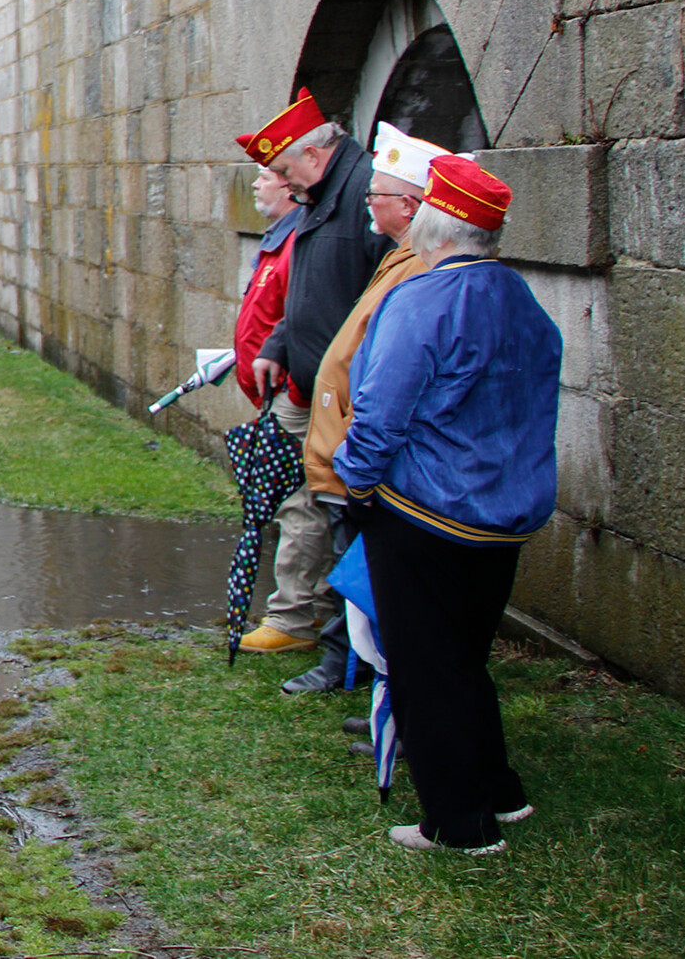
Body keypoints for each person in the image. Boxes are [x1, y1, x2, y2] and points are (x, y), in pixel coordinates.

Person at [334, 154, 559, 854]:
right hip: (504, 513)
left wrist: (355, 485)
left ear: (435, 222)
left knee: (425, 667)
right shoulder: (519, 297)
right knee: (463, 658)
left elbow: (379, 413)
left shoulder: (424, 299)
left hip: (427, 511)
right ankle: (499, 788)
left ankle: (460, 823)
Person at [278, 122, 449, 694]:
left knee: (370, 570)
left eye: (377, 196)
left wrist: (358, 458)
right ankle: (363, 673)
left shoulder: (420, 267)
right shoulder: (400, 253)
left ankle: (368, 677)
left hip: (369, 450)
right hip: (349, 435)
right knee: (359, 563)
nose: (367, 204)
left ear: (409, 205)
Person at [239, 89, 392, 655]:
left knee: (335, 507)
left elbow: (382, 296)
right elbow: (305, 287)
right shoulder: (323, 196)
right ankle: (304, 620)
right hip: (307, 383)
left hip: (345, 393)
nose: (282, 182)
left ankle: (338, 637)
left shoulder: (364, 194)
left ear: (313, 154)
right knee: (299, 500)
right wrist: (279, 342)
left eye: (283, 169)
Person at [230, 137, 303, 409]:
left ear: (288, 187)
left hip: (283, 391)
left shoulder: (297, 241)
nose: (255, 185)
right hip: (269, 392)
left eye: (264, 177)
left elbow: (300, 315)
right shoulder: (280, 237)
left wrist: (292, 393)